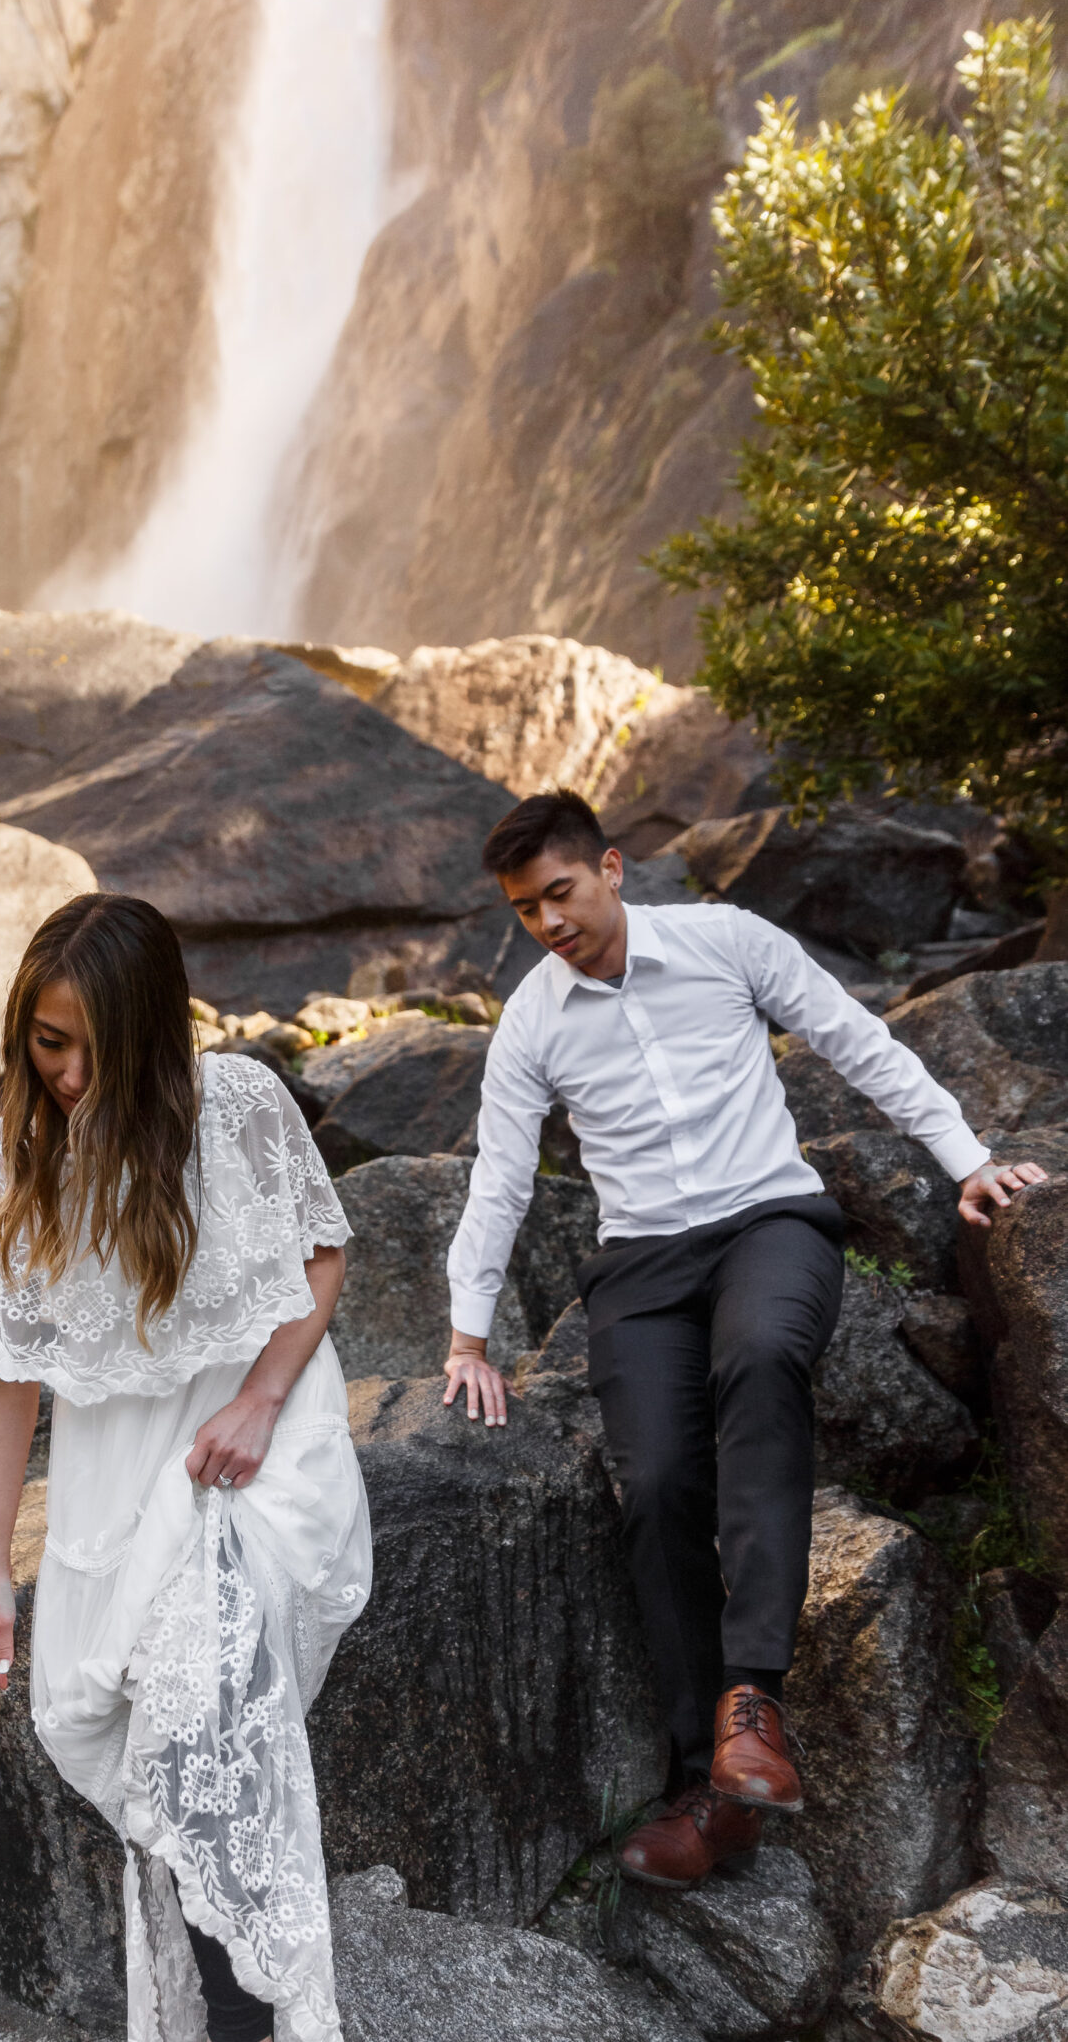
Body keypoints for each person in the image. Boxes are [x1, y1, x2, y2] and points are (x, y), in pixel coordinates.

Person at [443, 791, 1048, 1890]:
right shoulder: (531, 1021)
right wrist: (466, 1335)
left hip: (770, 1222)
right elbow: (499, 1177)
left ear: (614, 868)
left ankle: (751, 1707)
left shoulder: (727, 941)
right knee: (661, 1480)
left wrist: (968, 1157)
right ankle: (705, 1792)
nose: (548, 924)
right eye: (526, 910)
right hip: (640, 1268)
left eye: (561, 895)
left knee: (762, 1357)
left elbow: (855, 1038)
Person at [0, 891, 370, 2042]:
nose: (59, 1074)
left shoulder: (233, 1105)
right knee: (99, 1712)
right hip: (120, 1476)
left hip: (257, 1438)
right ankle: (233, 2008)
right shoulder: (4, 1166)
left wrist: (256, 1402)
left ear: (143, 1034)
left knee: (199, 1688)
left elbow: (320, 1253)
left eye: (80, 1048)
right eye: (39, 1043)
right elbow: (5, 1380)